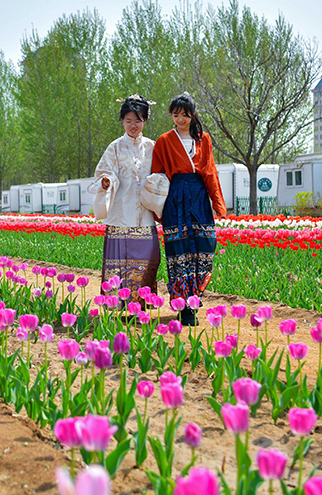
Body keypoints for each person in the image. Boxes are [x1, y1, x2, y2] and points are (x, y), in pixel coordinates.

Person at [151, 92, 226, 326]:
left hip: (199, 196)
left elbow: (211, 172)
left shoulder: (204, 139)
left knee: (204, 246)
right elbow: (157, 174)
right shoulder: (164, 140)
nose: (181, 119)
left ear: (193, 115)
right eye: (176, 115)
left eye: (185, 114)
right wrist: (157, 205)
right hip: (176, 196)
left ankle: (195, 298)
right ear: (171, 116)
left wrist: (217, 202)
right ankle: (184, 307)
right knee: (178, 250)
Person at [90, 94, 161, 303]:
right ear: (122, 121)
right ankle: (117, 302)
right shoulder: (115, 147)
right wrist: (106, 181)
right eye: (128, 120)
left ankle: (139, 303)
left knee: (149, 257)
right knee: (120, 260)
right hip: (121, 213)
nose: (133, 125)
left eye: (138, 120)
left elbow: (162, 173)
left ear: (145, 121)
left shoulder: (152, 147)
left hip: (145, 213)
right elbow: (104, 171)